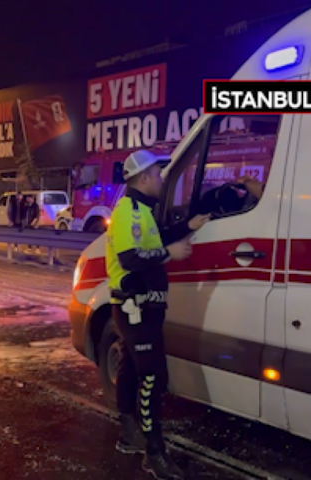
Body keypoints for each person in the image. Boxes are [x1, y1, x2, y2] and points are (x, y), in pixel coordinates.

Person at [105, 149, 210, 480]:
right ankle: (154, 454)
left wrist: (186, 226)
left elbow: (153, 240)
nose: (162, 179)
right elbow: (130, 258)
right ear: (143, 178)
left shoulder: (142, 211)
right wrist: (169, 253)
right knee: (153, 376)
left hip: (141, 305)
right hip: (135, 306)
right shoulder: (128, 212)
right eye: (158, 174)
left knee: (130, 368)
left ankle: (129, 435)